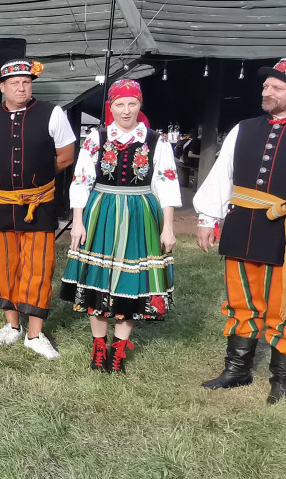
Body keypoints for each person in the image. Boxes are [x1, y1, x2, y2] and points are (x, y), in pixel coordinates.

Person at [194, 58, 286, 404]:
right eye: (265, 86)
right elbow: (222, 174)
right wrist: (207, 217)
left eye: (276, 87)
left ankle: (283, 380)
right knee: (241, 300)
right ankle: (237, 370)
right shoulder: (244, 128)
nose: (267, 91)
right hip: (244, 226)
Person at [60, 79, 180, 373]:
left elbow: (167, 184)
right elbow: (81, 181)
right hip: (102, 212)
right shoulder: (96, 139)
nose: (126, 111)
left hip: (140, 214)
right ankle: (98, 346)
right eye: (119, 104)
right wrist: (77, 223)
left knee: (130, 281)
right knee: (98, 280)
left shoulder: (156, 141)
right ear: (110, 107)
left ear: (140, 105)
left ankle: (119, 348)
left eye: (132, 104)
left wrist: (168, 227)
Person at [0, 58, 75, 360]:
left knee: (39, 267)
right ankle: (12, 327)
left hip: (38, 204)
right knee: (5, 266)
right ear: (2, 87)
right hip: (0, 203)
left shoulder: (51, 113)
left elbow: (66, 156)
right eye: (14, 83)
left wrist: (36, 179)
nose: (21, 87)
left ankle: (35, 333)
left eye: (26, 82)